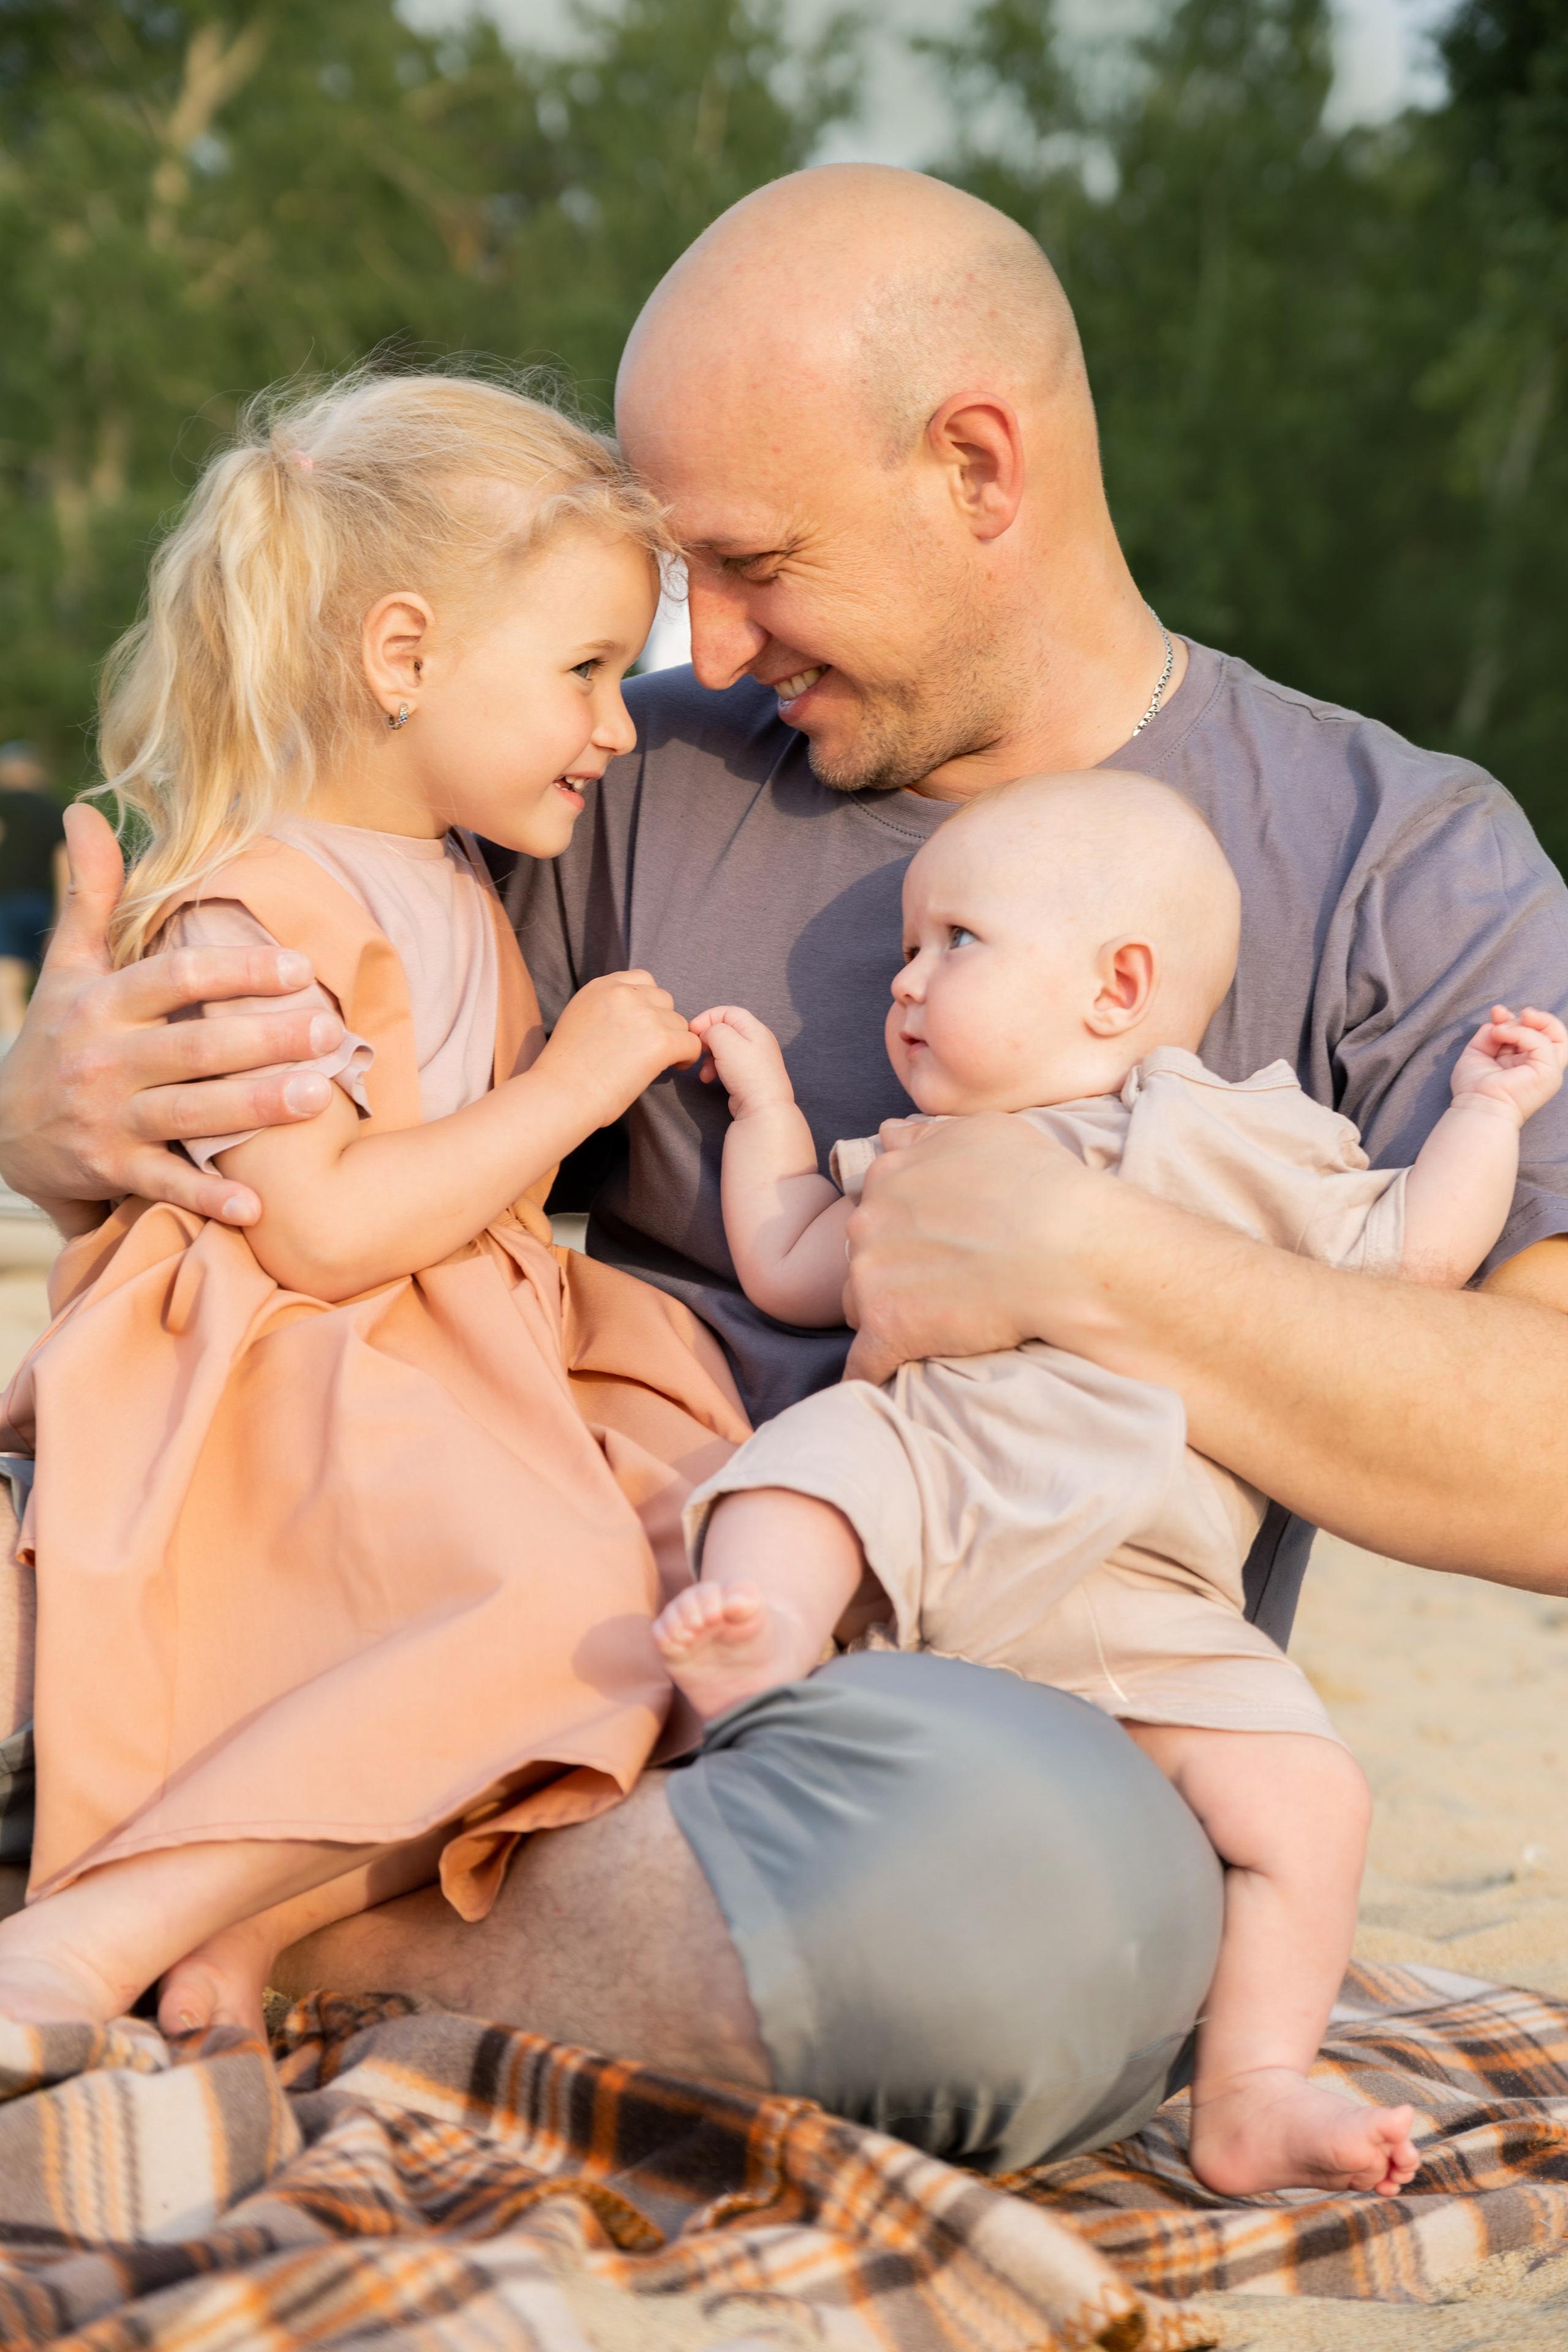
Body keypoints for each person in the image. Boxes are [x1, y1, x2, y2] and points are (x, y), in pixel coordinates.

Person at [0, 166, 1564, 2162]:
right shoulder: (610, 772)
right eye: (668, 591)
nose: (706, 654)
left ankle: (258, 1946)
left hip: (924, 1739)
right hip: (494, 1617)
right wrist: (67, 1120)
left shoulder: (1399, 865)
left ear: (977, 470)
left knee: (1025, 1904)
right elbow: (301, 1126)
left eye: (749, 564)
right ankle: (254, 1912)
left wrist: (1089, 1257)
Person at [652, 768, 1568, 2196]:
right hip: (937, 1492)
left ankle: (1253, 2086)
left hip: (1150, 1587)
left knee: (1311, 1801)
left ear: (1114, 984)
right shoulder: (920, 1152)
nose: (901, 981)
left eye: (952, 940)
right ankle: (760, 1650)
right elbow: (786, 1255)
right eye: (908, 945)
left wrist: (1484, 1115)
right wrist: (765, 1101)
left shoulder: (1250, 1143)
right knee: (809, 1468)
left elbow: (1410, 1258)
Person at [0, 368, 760, 2035]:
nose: (620, 726)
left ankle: (253, 1926)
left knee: (660, 1608)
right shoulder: (256, 914)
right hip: (295, 1371)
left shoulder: (451, 884)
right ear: (402, 657)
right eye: (582, 671)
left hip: (431, 1353)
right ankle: (92, 1934)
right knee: (558, 1618)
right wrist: (570, 1087)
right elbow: (323, 1229)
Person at [0, 744, 66, 1046]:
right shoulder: (55, 809)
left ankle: (12, 1051)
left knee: (7, 980)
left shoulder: (5, 804)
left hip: (8, 902)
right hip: (43, 904)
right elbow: (65, 861)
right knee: (47, 982)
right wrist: (63, 914)